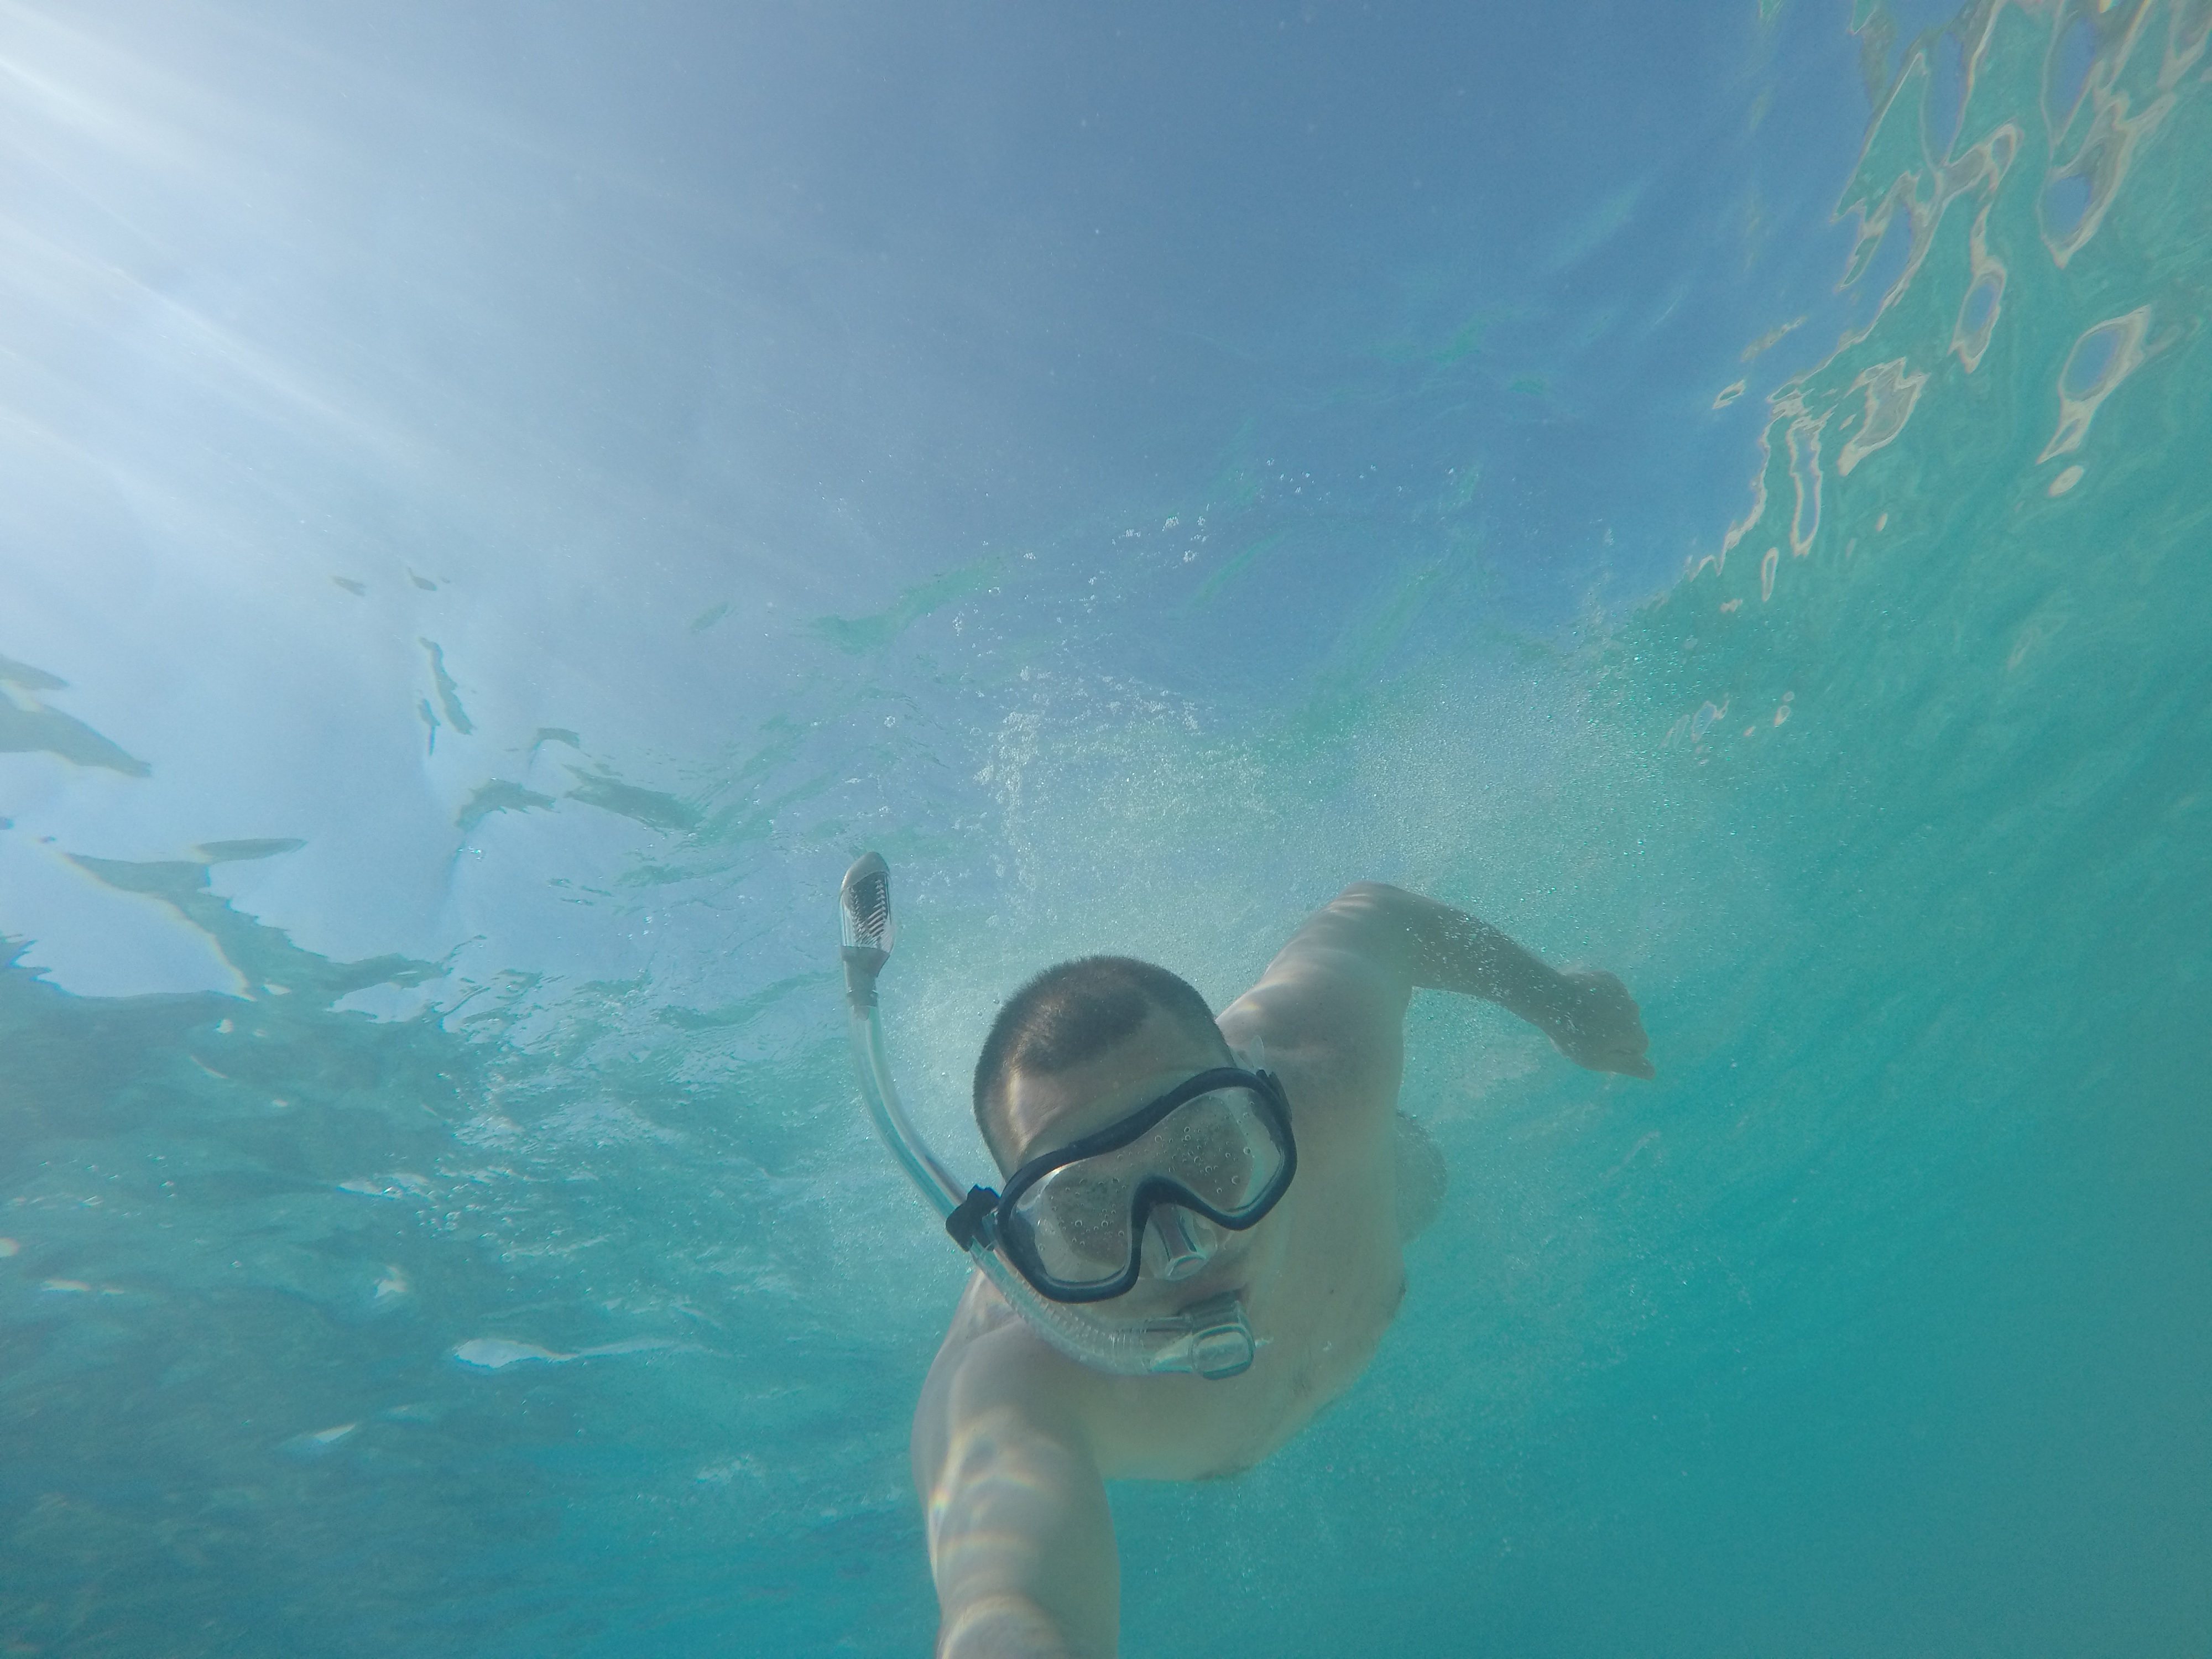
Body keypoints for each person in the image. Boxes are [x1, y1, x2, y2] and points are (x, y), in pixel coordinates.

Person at [848, 873, 1653, 1658]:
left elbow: (1382, 914)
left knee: (1421, 1176)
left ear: (1267, 1107)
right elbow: (1008, 1607)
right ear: (1022, 1249)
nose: (1183, 1246)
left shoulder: (1329, 1072)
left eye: (1206, 1149)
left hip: (1393, 1188)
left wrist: (1565, 1004)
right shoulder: (1011, 1382)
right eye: (1091, 1208)